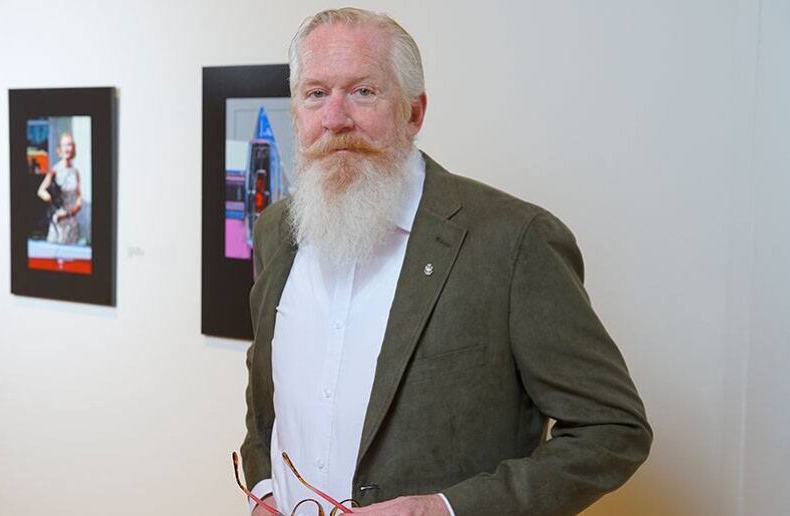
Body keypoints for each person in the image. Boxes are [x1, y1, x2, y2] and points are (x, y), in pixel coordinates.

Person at [240, 8, 651, 516]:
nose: (335, 118)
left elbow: (613, 429)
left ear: (414, 112)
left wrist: (442, 509)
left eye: (363, 91)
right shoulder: (276, 228)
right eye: (316, 93)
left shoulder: (514, 241)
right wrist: (262, 488)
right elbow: (266, 401)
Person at [36, 131, 82, 244]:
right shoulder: (54, 171)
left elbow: (79, 201)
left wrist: (68, 213)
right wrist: (50, 198)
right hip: (57, 224)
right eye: (64, 145)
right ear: (59, 149)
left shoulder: (75, 172)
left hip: (71, 224)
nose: (67, 148)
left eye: (70, 145)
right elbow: (41, 191)